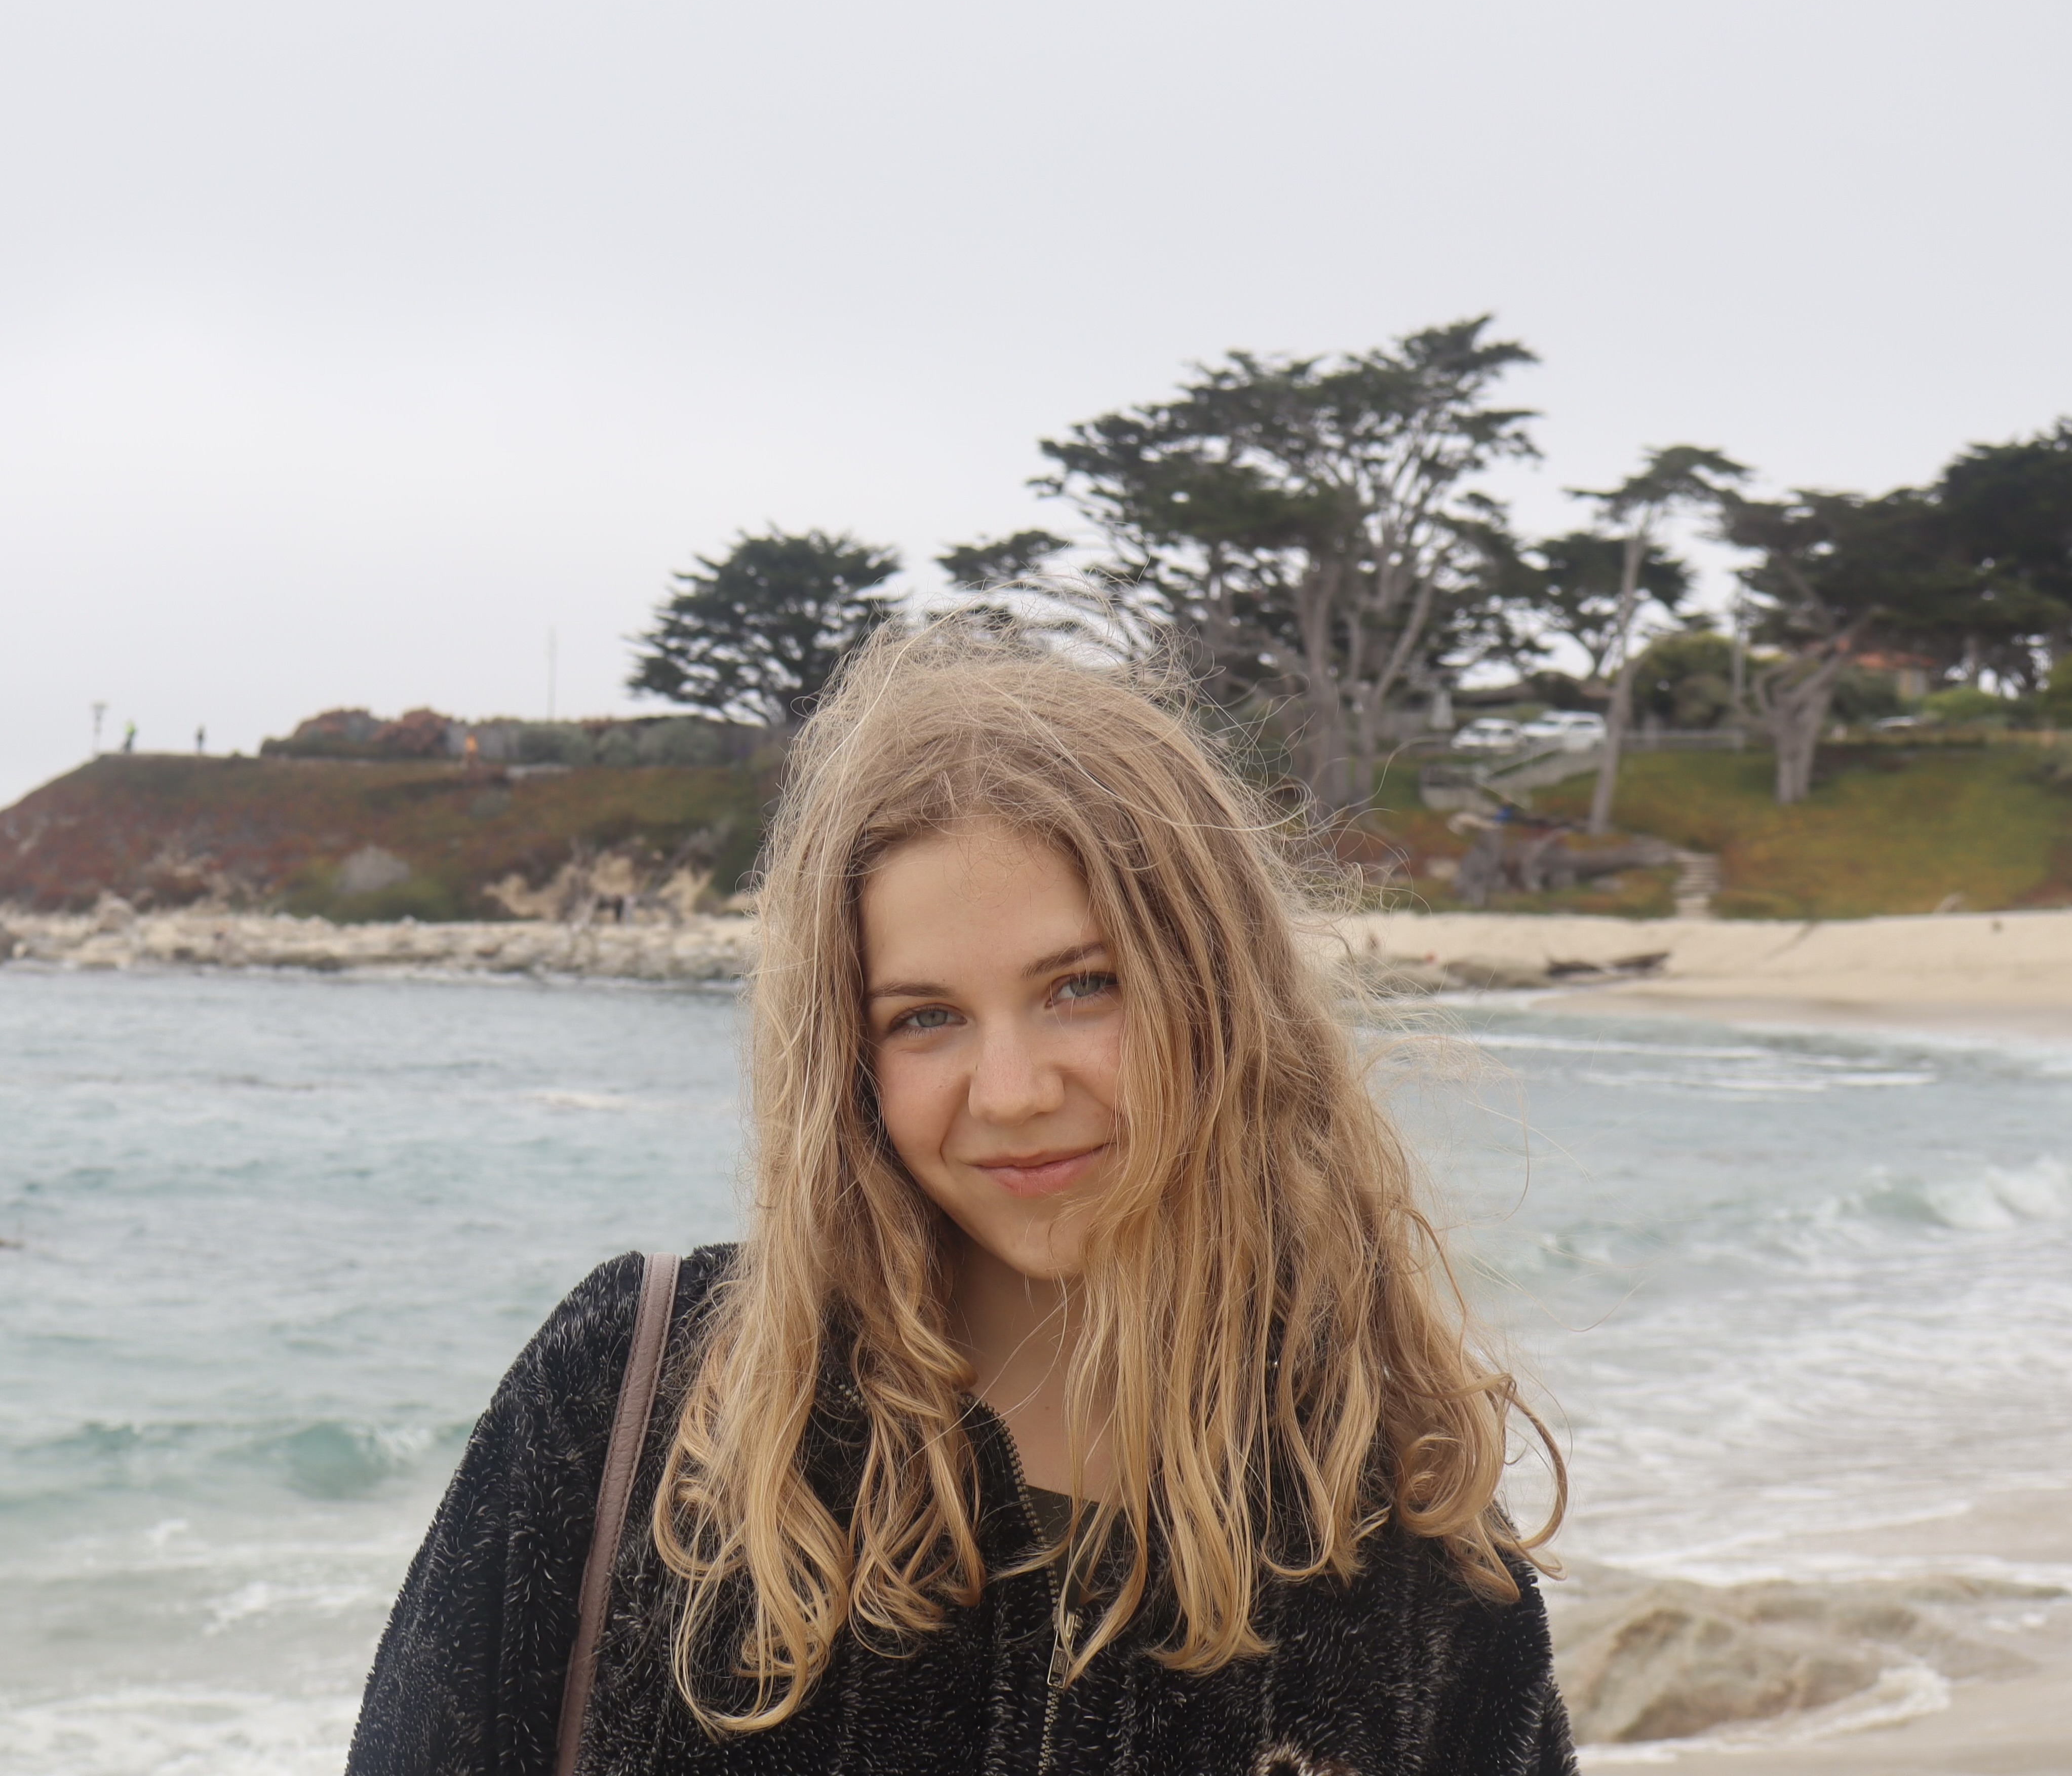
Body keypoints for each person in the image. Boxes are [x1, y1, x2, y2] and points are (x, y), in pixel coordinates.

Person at [348, 612, 1572, 1774]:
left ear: (1220, 993)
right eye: (924, 1016)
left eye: (1082, 985)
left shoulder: (1410, 1555)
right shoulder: (634, 1394)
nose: (1013, 1087)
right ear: (848, 1059)